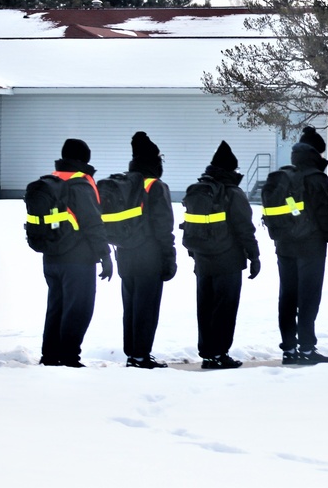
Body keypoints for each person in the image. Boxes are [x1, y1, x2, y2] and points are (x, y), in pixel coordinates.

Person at [268, 127, 328, 365]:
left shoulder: (284, 176)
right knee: (308, 298)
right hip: (310, 246)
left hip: (284, 246)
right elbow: (326, 215)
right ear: (315, 153)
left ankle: (288, 349)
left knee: (287, 297)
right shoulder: (317, 178)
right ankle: (307, 349)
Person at [37, 138, 113, 368]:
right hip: (78, 259)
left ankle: (50, 356)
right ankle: (70, 357)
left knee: (56, 307)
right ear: (83, 158)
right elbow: (92, 223)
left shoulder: (51, 180)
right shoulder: (81, 184)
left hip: (51, 257)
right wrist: (105, 255)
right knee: (79, 309)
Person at [186, 141, 260, 370]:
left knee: (205, 308)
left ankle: (208, 354)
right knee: (224, 309)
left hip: (203, 260)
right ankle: (220, 353)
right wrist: (254, 256)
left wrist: (195, 254)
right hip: (227, 261)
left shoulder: (199, 190)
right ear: (230, 170)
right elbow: (244, 229)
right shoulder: (232, 193)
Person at [115, 132, 177, 369]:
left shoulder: (124, 184)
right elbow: (164, 227)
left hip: (124, 254)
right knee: (147, 307)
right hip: (149, 256)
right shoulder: (155, 186)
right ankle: (141, 355)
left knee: (130, 306)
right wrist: (169, 258)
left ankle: (133, 353)